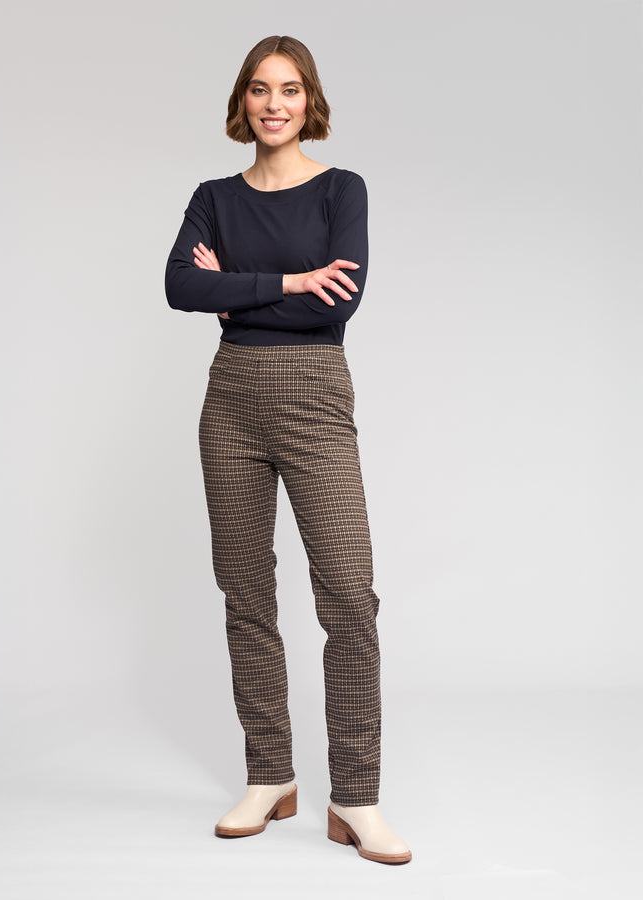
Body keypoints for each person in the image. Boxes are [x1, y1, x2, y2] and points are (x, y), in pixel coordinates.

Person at [165, 35, 411, 865]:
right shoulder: (212, 196)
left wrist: (234, 296)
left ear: (311, 102)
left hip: (314, 395)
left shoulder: (343, 189)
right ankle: (269, 774)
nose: (276, 104)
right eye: (263, 90)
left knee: (348, 593)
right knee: (245, 590)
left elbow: (340, 303)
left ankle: (357, 795)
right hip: (229, 402)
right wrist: (285, 284)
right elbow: (178, 288)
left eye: (292, 90)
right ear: (244, 101)